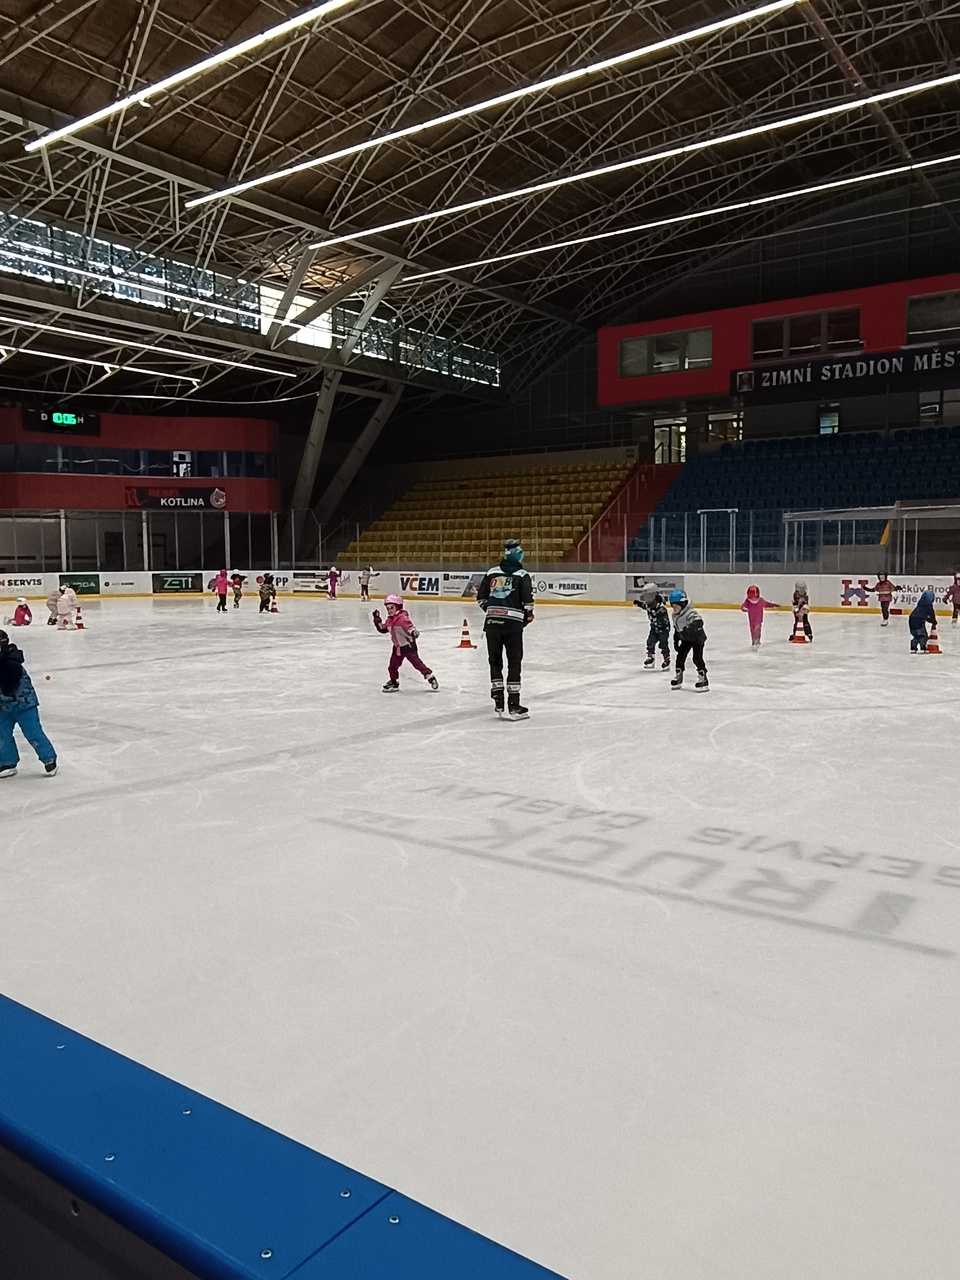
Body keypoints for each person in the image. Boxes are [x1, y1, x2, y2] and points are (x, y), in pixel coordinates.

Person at [476, 539, 535, 718]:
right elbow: (527, 601)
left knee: (495, 661)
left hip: (492, 625)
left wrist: (493, 612)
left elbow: (481, 598)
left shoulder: (492, 572)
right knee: (514, 662)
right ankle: (514, 704)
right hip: (513, 625)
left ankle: (498, 700)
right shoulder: (522, 575)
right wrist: (528, 615)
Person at [0, 630, 57, 779]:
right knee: (2, 733)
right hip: (5, 707)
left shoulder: (11, 663)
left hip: (24, 704)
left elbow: (8, 686)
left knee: (32, 732)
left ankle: (49, 759)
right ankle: (7, 762)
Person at [372, 594, 439, 692]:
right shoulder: (389, 621)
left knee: (417, 664)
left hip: (408, 647)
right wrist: (377, 620)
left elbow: (410, 627)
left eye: (392, 607)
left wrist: (414, 632)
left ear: (398, 607)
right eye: (388, 608)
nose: (389, 610)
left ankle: (430, 677)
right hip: (397, 648)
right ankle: (394, 683)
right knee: (392, 667)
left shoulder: (403, 619)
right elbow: (382, 629)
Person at [669, 589, 708, 691]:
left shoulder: (690, 612)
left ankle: (703, 677)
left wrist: (691, 627)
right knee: (680, 657)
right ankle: (678, 675)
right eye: (672, 606)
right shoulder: (674, 615)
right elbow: (677, 628)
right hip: (686, 639)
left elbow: (699, 621)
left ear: (683, 604)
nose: (674, 608)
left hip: (697, 638)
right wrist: (676, 639)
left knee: (697, 658)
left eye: (676, 606)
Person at [634, 586, 671, 669]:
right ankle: (651, 658)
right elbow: (645, 607)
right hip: (654, 628)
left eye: (648, 596)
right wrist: (639, 604)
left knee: (663, 644)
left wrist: (656, 614)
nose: (646, 598)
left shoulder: (661, 607)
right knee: (650, 642)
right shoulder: (649, 605)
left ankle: (666, 659)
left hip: (663, 629)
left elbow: (658, 614)